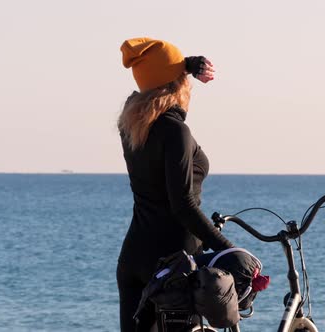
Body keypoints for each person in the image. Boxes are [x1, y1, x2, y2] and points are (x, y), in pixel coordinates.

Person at [116, 37, 234, 332]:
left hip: (134, 259)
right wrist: (228, 250)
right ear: (177, 82)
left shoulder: (131, 126)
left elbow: (149, 83)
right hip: (173, 263)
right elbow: (182, 203)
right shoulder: (175, 131)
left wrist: (183, 65)